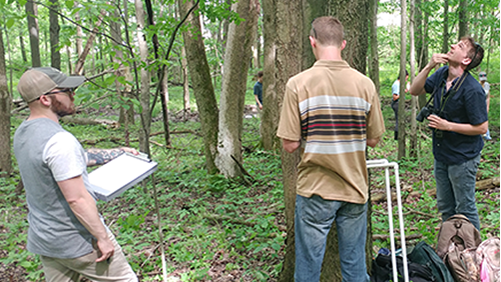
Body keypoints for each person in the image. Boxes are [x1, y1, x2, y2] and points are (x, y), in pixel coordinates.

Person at [276, 17, 385, 282]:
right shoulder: (365, 84)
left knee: (308, 270)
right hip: (355, 188)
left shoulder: (298, 84)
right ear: (343, 44)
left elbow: (289, 144)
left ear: (312, 42)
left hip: (315, 188)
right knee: (355, 268)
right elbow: (373, 140)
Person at [13, 67, 138, 281]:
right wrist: (102, 237)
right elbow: (77, 199)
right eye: (66, 90)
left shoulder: (24, 132)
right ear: (45, 99)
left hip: (47, 241)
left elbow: (69, 160)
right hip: (77, 242)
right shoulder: (60, 141)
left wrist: (117, 153)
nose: (73, 95)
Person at [409, 37, 487, 230]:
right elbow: (414, 90)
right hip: (442, 154)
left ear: (466, 61)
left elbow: (482, 128)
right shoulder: (442, 73)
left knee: (465, 208)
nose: (452, 46)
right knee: (445, 207)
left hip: (463, 158)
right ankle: (450, 250)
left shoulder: (472, 89)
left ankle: (473, 252)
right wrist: (429, 66)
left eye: (459, 46)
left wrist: (447, 125)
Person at [391, 70, 409, 140]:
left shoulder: (400, 84)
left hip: (399, 103)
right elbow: (395, 97)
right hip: (397, 103)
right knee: (398, 119)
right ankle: (397, 136)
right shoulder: (396, 84)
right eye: (406, 79)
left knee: (400, 119)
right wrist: (403, 92)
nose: (406, 80)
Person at [479, 71, 492, 140]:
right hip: (478, 103)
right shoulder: (477, 85)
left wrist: (487, 107)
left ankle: (486, 133)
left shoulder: (487, 85)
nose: (483, 81)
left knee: (485, 118)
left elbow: (488, 97)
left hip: (484, 103)